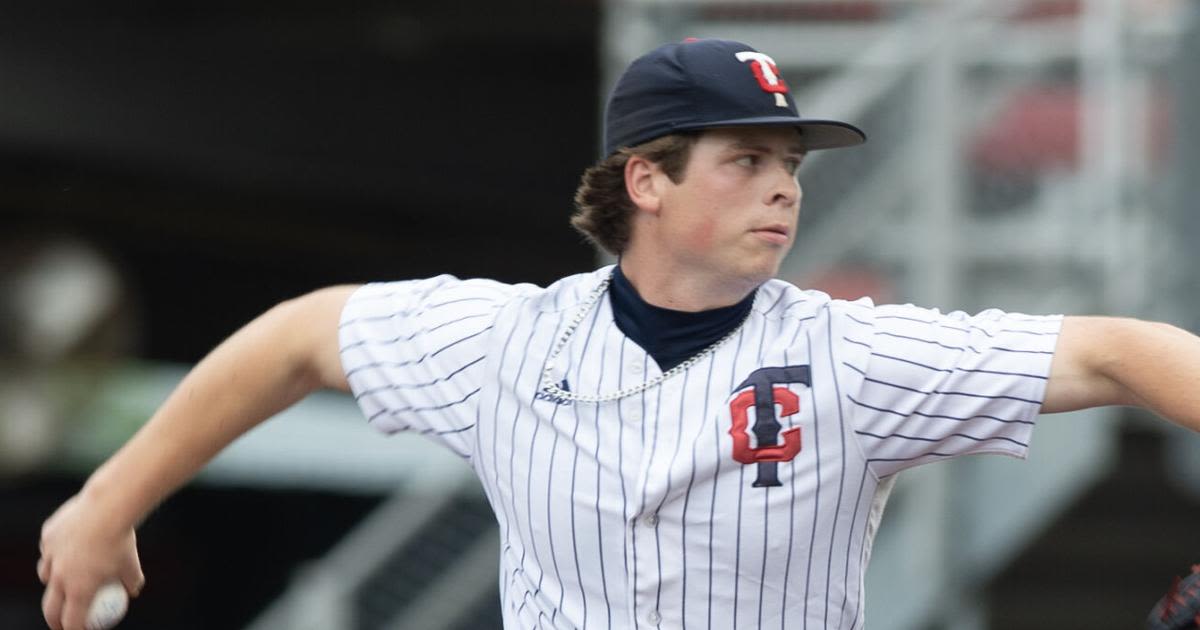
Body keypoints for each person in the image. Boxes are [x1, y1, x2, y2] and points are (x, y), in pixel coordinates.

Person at [36, 38, 1200, 630]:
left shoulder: (854, 357)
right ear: (644, 180)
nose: (783, 191)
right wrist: (107, 503)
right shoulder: (501, 343)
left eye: (789, 168)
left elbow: (1121, 351)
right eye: (747, 162)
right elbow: (296, 337)